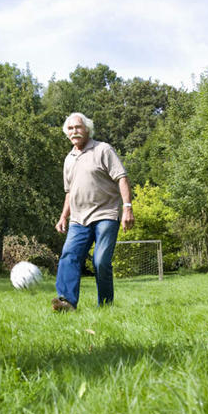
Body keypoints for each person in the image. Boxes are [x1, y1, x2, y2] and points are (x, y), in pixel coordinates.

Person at [52, 112, 134, 312]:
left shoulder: (102, 149)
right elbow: (70, 192)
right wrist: (63, 216)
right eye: (70, 129)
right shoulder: (69, 159)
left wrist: (127, 207)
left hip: (106, 214)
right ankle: (67, 302)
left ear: (87, 129)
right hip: (78, 219)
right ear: (67, 133)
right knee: (68, 256)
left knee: (100, 262)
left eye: (78, 127)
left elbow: (121, 177)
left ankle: (105, 306)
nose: (74, 131)